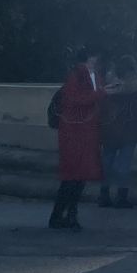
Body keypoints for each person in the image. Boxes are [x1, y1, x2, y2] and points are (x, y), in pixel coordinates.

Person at [49, 47, 104, 231]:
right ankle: (64, 215)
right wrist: (102, 93)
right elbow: (79, 100)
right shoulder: (79, 76)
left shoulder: (86, 75)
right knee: (74, 177)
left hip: (81, 132)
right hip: (77, 132)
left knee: (75, 178)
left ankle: (65, 215)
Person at [98, 55, 137, 209]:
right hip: (129, 129)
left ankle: (104, 195)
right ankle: (121, 197)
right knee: (124, 164)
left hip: (110, 128)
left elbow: (102, 108)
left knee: (107, 162)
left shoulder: (109, 87)